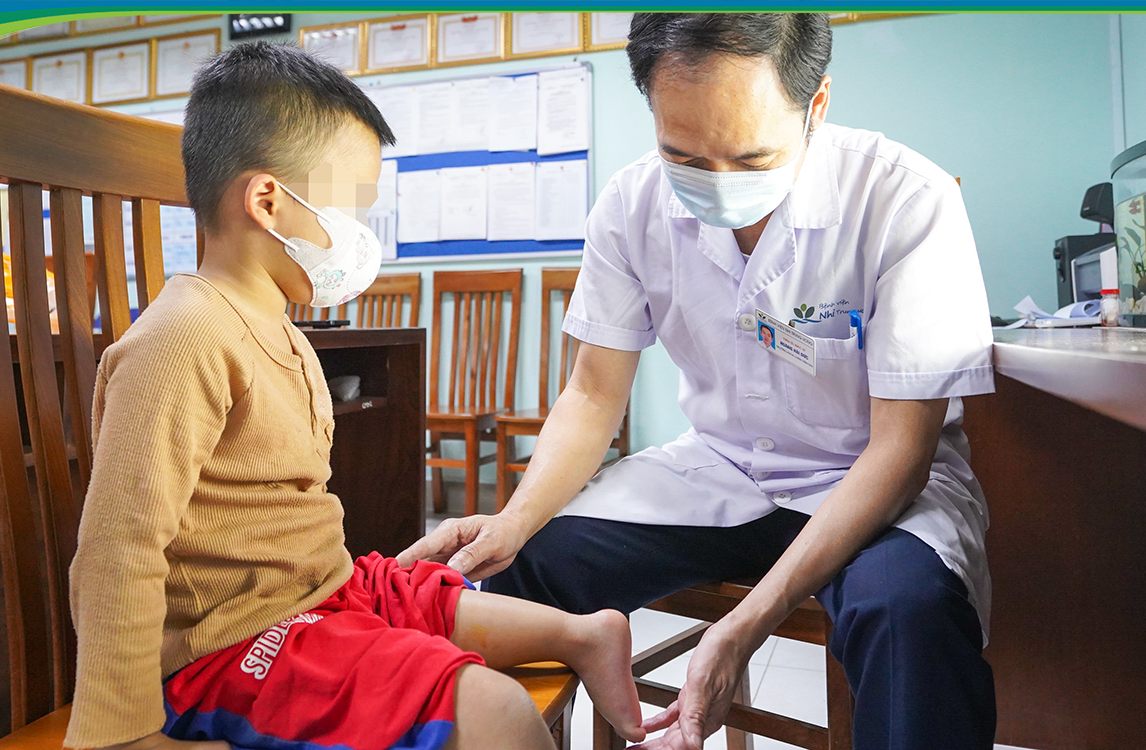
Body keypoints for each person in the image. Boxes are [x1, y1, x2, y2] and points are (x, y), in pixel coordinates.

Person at [399, 13, 997, 750]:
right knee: (525, 569)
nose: (716, 184)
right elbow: (593, 393)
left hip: (870, 479)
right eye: (682, 156)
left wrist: (746, 625)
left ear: (815, 104)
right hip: (721, 470)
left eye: (751, 158)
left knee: (909, 613)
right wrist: (513, 521)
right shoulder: (631, 202)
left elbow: (900, 450)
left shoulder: (904, 197)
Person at [63, 41, 644, 750]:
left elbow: (280, 518)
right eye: (350, 207)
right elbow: (117, 549)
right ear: (267, 202)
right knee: (496, 710)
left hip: (321, 594)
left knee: (425, 591)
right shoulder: (180, 339)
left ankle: (583, 634)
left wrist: (377, 575)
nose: (361, 234)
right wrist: (121, 733)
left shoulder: (282, 330)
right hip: (231, 643)